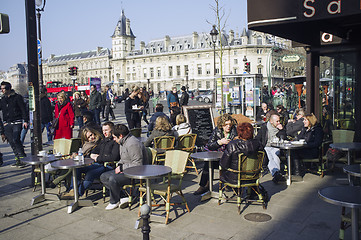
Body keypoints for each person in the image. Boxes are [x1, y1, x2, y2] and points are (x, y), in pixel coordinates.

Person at [62, 122, 120, 198]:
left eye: (106, 130)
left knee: (91, 173)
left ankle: (77, 193)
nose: (104, 132)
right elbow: (94, 152)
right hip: (98, 164)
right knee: (77, 169)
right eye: (103, 130)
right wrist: (94, 156)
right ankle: (72, 190)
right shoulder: (103, 141)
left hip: (108, 166)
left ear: (112, 130)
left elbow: (113, 157)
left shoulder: (114, 141)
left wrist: (98, 158)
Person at [100, 124, 148, 210]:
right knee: (103, 176)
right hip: (127, 170)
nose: (114, 139)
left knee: (113, 179)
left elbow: (138, 164)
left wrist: (122, 168)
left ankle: (114, 201)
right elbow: (123, 159)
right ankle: (123, 196)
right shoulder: (122, 142)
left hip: (137, 173)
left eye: (114, 137)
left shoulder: (133, 144)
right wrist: (119, 165)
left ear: (121, 136)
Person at [194, 114, 237, 195]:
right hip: (218, 158)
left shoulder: (234, 131)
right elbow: (210, 145)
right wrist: (219, 142)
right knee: (208, 164)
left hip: (229, 160)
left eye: (230, 124)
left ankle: (227, 184)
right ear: (221, 125)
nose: (228, 127)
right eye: (226, 125)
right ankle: (204, 186)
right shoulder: (217, 131)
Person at [0, 81, 28, 167]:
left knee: (16, 139)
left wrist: (25, 120)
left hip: (17, 121)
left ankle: (23, 157)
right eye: (1, 89)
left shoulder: (17, 97)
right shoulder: (2, 100)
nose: (2, 90)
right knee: (12, 142)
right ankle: (17, 158)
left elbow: (23, 109)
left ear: (8, 88)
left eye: (3, 88)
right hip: (7, 123)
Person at [255, 113, 287, 184]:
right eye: (277, 121)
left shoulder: (280, 127)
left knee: (275, 156)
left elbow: (284, 138)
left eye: (279, 121)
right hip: (266, 146)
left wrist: (281, 130)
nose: (279, 123)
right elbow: (258, 138)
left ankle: (276, 173)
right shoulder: (265, 127)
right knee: (269, 156)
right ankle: (277, 173)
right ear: (271, 121)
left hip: (276, 146)